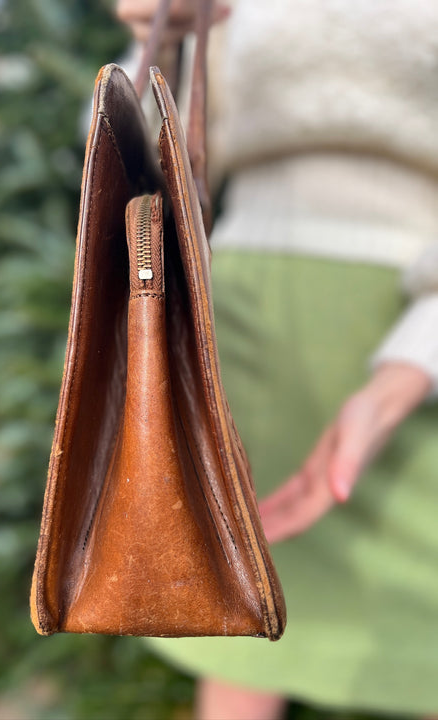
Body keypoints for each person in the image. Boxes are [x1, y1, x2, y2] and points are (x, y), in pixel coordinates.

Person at [117, 1, 438, 717]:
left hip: (418, 322)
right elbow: (134, 156)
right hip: (240, 315)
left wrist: (411, 364)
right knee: (240, 634)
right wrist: (156, 39)